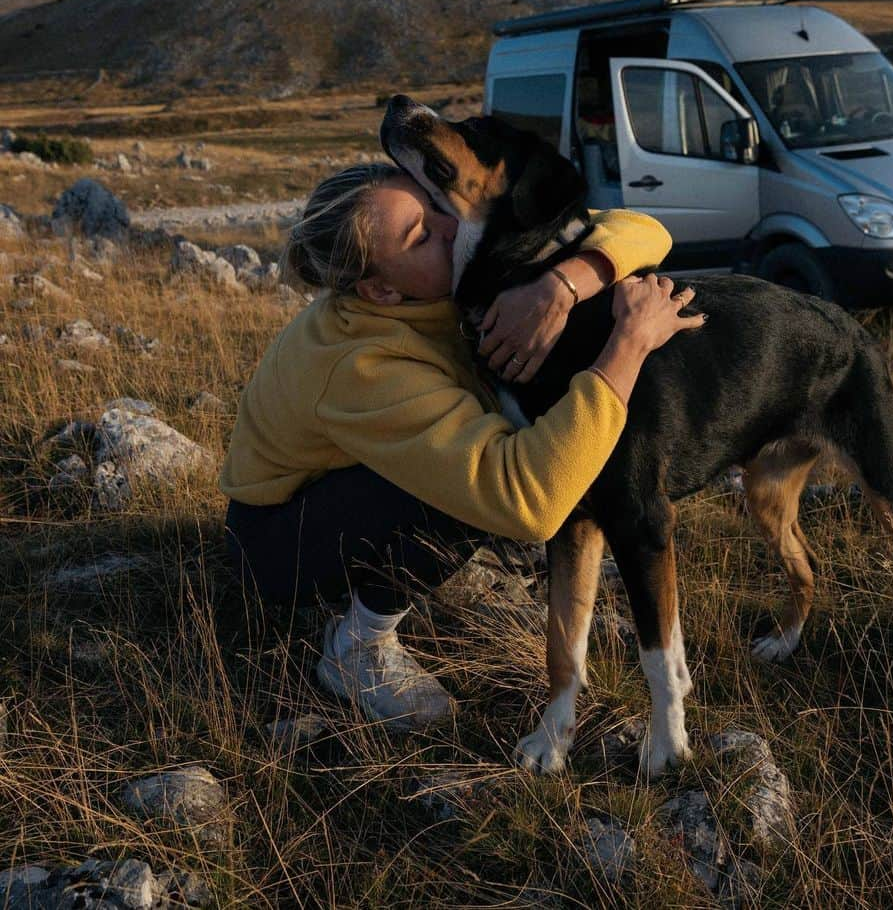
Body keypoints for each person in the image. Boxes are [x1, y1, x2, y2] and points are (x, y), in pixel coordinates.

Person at [221, 161, 704, 728]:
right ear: (380, 288)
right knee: (467, 490)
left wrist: (563, 283)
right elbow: (528, 501)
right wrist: (628, 344)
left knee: (473, 456)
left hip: (344, 485)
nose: (453, 229)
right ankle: (357, 648)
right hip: (279, 539)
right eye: (420, 236)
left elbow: (642, 228)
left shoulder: (445, 276)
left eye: (436, 207)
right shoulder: (361, 364)